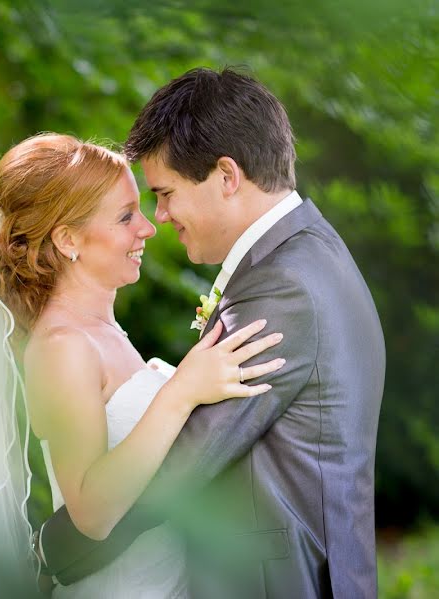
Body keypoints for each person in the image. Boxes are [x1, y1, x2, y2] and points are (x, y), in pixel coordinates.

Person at [0, 131, 285, 598]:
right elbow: (90, 513)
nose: (148, 228)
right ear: (68, 239)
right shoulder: (61, 346)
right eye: (126, 216)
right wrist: (181, 392)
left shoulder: (101, 334)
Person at [37, 68, 386, 599]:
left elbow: (187, 461)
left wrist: (49, 548)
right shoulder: (308, 253)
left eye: (166, 194)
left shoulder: (284, 288)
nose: (160, 217)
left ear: (226, 176)